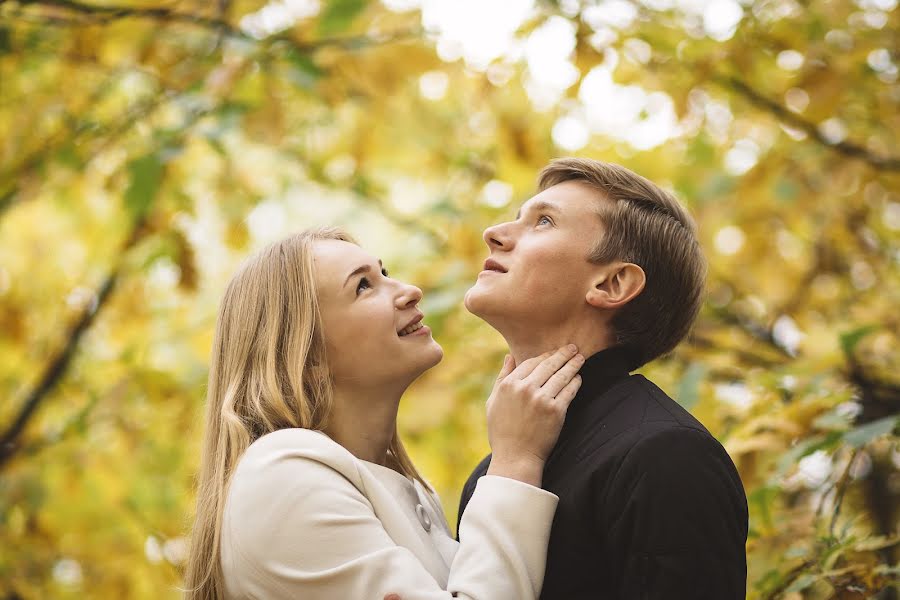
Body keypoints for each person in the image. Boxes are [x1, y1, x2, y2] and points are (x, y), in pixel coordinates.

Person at [182, 227, 585, 600]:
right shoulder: (283, 475)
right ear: (307, 358)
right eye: (363, 286)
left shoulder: (408, 489)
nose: (409, 290)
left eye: (384, 272)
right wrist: (516, 461)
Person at [457, 158, 749, 599]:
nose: (494, 233)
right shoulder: (494, 473)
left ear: (612, 285)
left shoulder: (666, 456)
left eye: (544, 221)